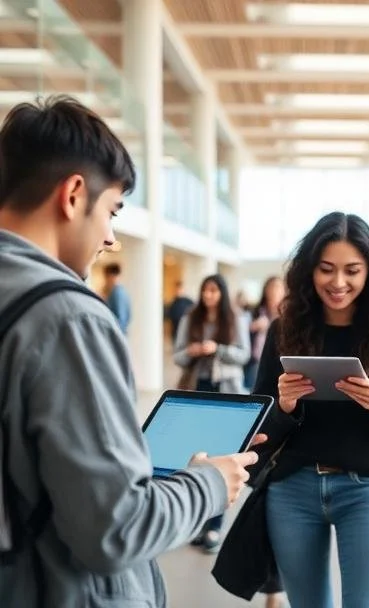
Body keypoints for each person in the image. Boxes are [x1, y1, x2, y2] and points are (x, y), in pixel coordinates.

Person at [0, 95, 261, 607]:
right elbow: (116, 529)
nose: (112, 238)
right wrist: (208, 483)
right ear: (74, 194)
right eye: (112, 212)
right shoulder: (67, 317)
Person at [251, 212, 369, 608]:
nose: (338, 282)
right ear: (309, 270)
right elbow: (258, 428)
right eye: (326, 269)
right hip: (293, 488)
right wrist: (283, 406)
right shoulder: (284, 330)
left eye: (352, 270)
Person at [173, 273, 251, 552]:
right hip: (196, 391)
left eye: (214, 291)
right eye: (205, 290)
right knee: (197, 456)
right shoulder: (189, 319)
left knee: (221, 456)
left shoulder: (235, 319)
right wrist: (193, 351)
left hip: (226, 392)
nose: (209, 296)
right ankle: (201, 524)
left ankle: (215, 528)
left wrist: (216, 349)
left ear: (223, 293)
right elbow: (177, 356)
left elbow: (244, 355)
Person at [246, 276, 286, 391]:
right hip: (254, 359)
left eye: (278, 287)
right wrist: (252, 327)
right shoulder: (255, 311)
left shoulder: (287, 313)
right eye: (271, 287)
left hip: (277, 360)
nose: (274, 291)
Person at [102, 261, 131, 334]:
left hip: (117, 334)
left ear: (110, 276)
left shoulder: (117, 293)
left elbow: (120, 320)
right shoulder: (121, 291)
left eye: (106, 276)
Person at [165, 280, 194, 344]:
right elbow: (169, 315)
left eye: (180, 289)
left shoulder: (189, 301)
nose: (178, 291)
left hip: (187, 330)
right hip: (175, 330)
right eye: (176, 289)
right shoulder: (173, 303)